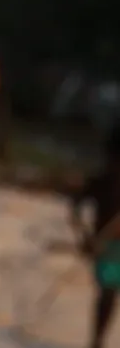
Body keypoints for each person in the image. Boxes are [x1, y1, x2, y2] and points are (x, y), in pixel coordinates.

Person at [71, 126, 120, 348]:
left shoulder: (102, 179)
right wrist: (85, 237)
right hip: (109, 247)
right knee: (108, 293)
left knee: (108, 293)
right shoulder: (101, 181)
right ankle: (97, 341)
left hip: (108, 245)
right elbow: (75, 207)